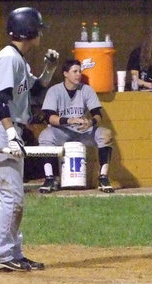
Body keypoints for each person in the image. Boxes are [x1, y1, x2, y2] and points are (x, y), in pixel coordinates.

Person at [0, 7, 59, 272]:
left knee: (15, 198)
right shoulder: (8, 59)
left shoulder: (19, 60)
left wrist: (49, 70)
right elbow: (1, 99)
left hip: (10, 131)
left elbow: (35, 93)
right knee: (12, 197)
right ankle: (0, 255)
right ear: (28, 31)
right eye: (37, 29)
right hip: (2, 130)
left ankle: (13, 252)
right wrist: (11, 135)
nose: (40, 34)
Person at [37, 59, 116, 194]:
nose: (78, 74)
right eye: (74, 71)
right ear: (65, 74)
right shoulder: (54, 90)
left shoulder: (87, 90)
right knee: (45, 136)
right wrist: (69, 120)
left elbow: (97, 114)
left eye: (79, 71)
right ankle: (50, 178)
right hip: (62, 131)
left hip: (83, 131)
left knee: (106, 134)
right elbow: (49, 117)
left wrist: (90, 122)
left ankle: (103, 177)